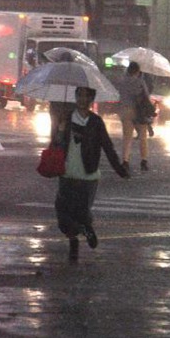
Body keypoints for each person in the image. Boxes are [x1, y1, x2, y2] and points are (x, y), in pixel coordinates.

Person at [54, 86, 130, 261]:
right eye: (79, 95)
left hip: (88, 175)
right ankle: (75, 237)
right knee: (63, 214)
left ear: (91, 99)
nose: (82, 99)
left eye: (86, 96)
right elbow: (56, 144)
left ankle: (85, 229)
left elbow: (108, 147)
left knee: (82, 212)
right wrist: (60, 130)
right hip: (66, 173)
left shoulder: (96, 122)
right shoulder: (66, 118)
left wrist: (120, 170)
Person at [116, 61, 151, 172]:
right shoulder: (140, 81)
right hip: (139, 111)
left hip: (125, 110)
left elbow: (119, 95)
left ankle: (125, 161)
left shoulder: (122, 81)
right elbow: (146, 96)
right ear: (137, 71)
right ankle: (144, 161)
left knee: (127, 137)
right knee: (143, 137)